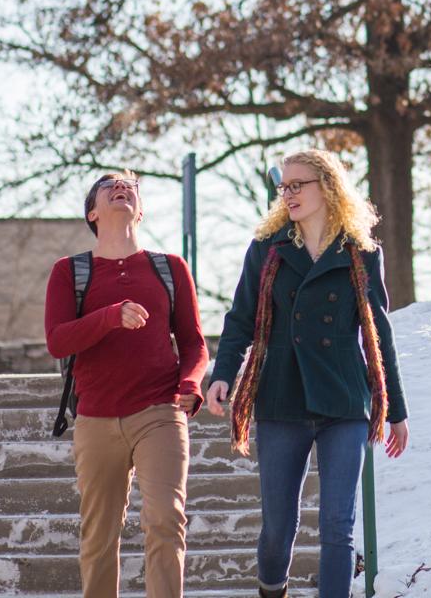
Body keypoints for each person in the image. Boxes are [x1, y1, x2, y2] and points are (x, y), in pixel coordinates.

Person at [204, 149, 410, 598]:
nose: (288, 193)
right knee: (279, 527)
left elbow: (378, 334)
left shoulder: (360, 253)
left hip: (343, 400)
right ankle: (271, 589)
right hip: (281, 396)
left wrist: (394, 408)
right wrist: (223, 374)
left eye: (299, 185)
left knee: (338, 524)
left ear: (328, 187)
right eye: (284, 186)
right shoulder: (268, 249)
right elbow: (240, 320)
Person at [45, 171, 207, 598]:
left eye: (130, 186)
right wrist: (109, 315)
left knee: (165, 522)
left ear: (141, 208)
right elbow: (57, 340)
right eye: (108, 185)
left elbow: (194, 344)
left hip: (159, 412)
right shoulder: (69, 272)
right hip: (95, 417)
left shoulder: (170, 268)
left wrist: (190, 384)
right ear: (92, 212)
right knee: (99, 535)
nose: (122, 188)